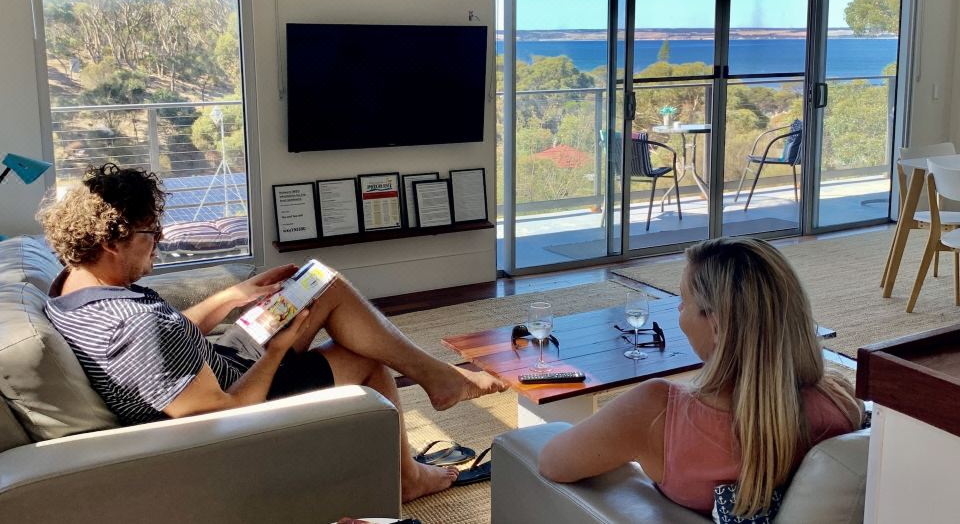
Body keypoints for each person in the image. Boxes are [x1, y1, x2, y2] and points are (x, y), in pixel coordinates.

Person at [38, 163, 507, 502]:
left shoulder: (74, 288)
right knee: (364, 359)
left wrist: (231, 297)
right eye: (151, 234)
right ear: (110, 242)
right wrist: (277, 350)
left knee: (319, 284)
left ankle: (439, 379)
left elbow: (171, 339)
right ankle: (408, 474)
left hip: (217, 360)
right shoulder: (130, 326)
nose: (159, 243)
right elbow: (222, 419)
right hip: (239, 389)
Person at [538, 237, 863, 519]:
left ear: (717, 326)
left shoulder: (656, 411)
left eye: (684, 302)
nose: (678, 310)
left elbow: (552, 462)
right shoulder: (841, 403)